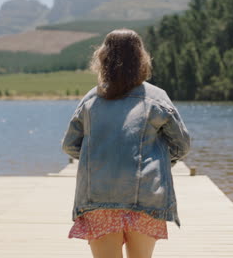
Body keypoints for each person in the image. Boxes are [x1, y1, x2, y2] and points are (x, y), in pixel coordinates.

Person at [61, 28, 191, 258]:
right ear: (141, 58)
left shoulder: (91, 99)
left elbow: (70, 145)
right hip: (146, 197)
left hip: (97, 198)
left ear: (103, 58)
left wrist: (101, 157)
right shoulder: (156, 97)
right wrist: (157, 162)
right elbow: (181, 145)